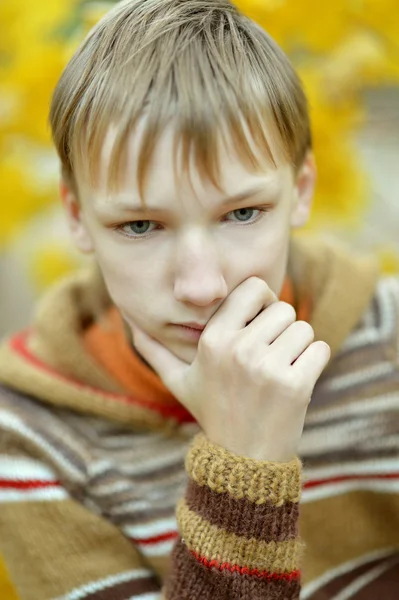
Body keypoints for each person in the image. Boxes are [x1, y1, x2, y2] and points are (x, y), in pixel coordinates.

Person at [0, 0, 398, 598]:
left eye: (242, 212)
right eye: (140, 225)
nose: (202, 286)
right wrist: (244, 463)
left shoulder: (389, 338)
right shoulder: (29, 439)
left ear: (303, 190)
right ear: (76, 216)